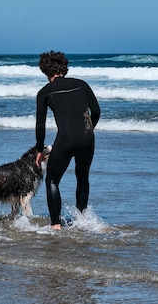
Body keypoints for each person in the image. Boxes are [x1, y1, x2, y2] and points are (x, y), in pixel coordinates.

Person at [35, 51, 101, 230]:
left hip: (65, 139)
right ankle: (81, 220)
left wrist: (40, 150)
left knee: (52, 181)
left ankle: (56, 224)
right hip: (88, 138)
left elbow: (40, 125)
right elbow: (96, 111)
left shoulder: (44, 92)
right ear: (64, 67)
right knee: (82, 177)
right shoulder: (82, 84)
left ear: (45, 71)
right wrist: (88, 130)